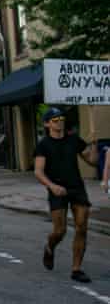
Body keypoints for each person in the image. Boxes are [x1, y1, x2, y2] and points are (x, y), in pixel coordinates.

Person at [34, 107, 99, 283]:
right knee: (60, 231)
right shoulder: (43, 145)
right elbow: (38, 172)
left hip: (76, 188)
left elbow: (92, 162)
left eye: (61, 118)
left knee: (81, 227)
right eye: (55, 119)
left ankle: (76, 269)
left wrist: (94, 144)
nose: (60, 121)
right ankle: (50, 247)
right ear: (47, 124)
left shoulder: (73, 140)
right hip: (57, 189)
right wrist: (52, 186)